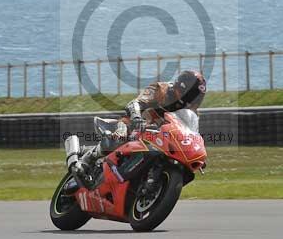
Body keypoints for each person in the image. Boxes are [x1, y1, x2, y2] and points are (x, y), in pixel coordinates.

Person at [73, 69, 207, 177]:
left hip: (159, 140)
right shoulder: (161, 89)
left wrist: (196, 154)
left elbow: (192, 135)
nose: (194, 99)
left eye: (198, 96)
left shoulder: (192, 113)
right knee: (119, 137)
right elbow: (135, 103)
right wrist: (137, 118)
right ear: (183, 88)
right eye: (193, 94)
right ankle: (87, 160)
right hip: (134, 127)